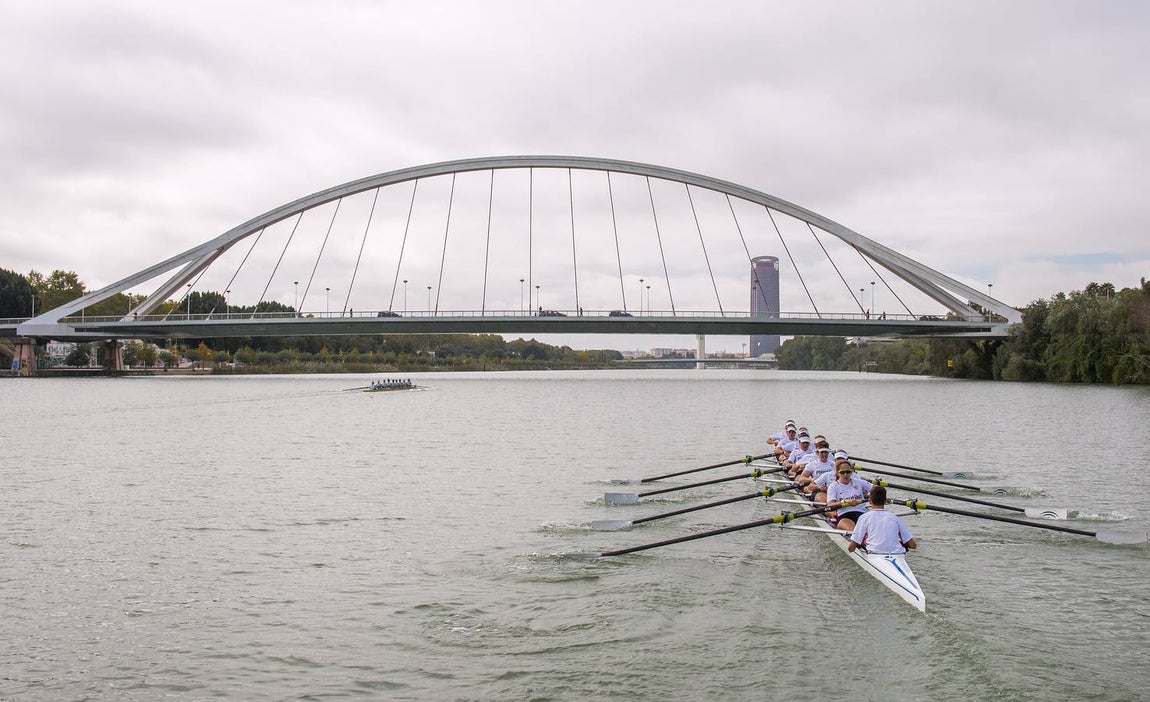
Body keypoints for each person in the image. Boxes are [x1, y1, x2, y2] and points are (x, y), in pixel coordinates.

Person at [848, 486, 917, 554]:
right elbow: (913, 545)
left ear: (869, 501)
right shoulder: (895, 518)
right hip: (897, 553)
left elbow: (851, 548)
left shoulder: (864, 517)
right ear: (885, 501)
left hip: (873, 553)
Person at [824, 458, 870, 532]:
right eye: (843, 472)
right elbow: (830, 505)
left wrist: (871, 495)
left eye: (848, 472)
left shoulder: (859, 482)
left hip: (862, 514)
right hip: (844, 516)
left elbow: (875, 489)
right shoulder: (833, 486)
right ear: (838, 473)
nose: (846, 474)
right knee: (856, 532)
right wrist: (844, 502)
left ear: (851, 472)